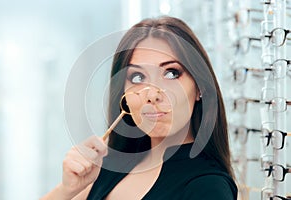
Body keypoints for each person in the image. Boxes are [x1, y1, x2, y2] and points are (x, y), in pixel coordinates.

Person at [41, 16, 238, 200]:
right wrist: (67, 189)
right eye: (138, 77)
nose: (152, 94)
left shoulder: (208, 187)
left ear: (199, 88)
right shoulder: (108, 167)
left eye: (171, 73)